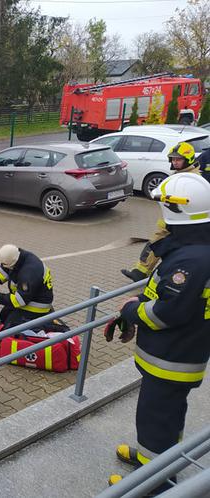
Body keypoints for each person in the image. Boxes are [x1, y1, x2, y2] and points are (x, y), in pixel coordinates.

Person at [107, 172, 210, 491]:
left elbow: (168, 312)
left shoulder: (191, 260)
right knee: (164, 421)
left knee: (156, 421)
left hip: (172, 359)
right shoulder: (196, 248)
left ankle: (155, 487)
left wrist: (130, 310)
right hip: (179, 355)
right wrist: (141, 300)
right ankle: (151, 461)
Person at [121, 142, 204, 282]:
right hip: (172, 218)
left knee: (170, 247)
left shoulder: (193, 178)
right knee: (156, 243)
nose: (175, 162)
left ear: (188, 159)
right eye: (173, 159)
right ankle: (140, 271)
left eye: (178, 159)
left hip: (185, 221)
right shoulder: (182, 174)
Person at [0, 244, 54, 328]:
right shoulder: (18, 257)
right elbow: (3, 270)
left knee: (10, 326)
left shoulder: (28, 273)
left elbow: (20, 300)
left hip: (36, 307)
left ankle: (41, 322)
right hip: (28, 299)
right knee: (3, 316)